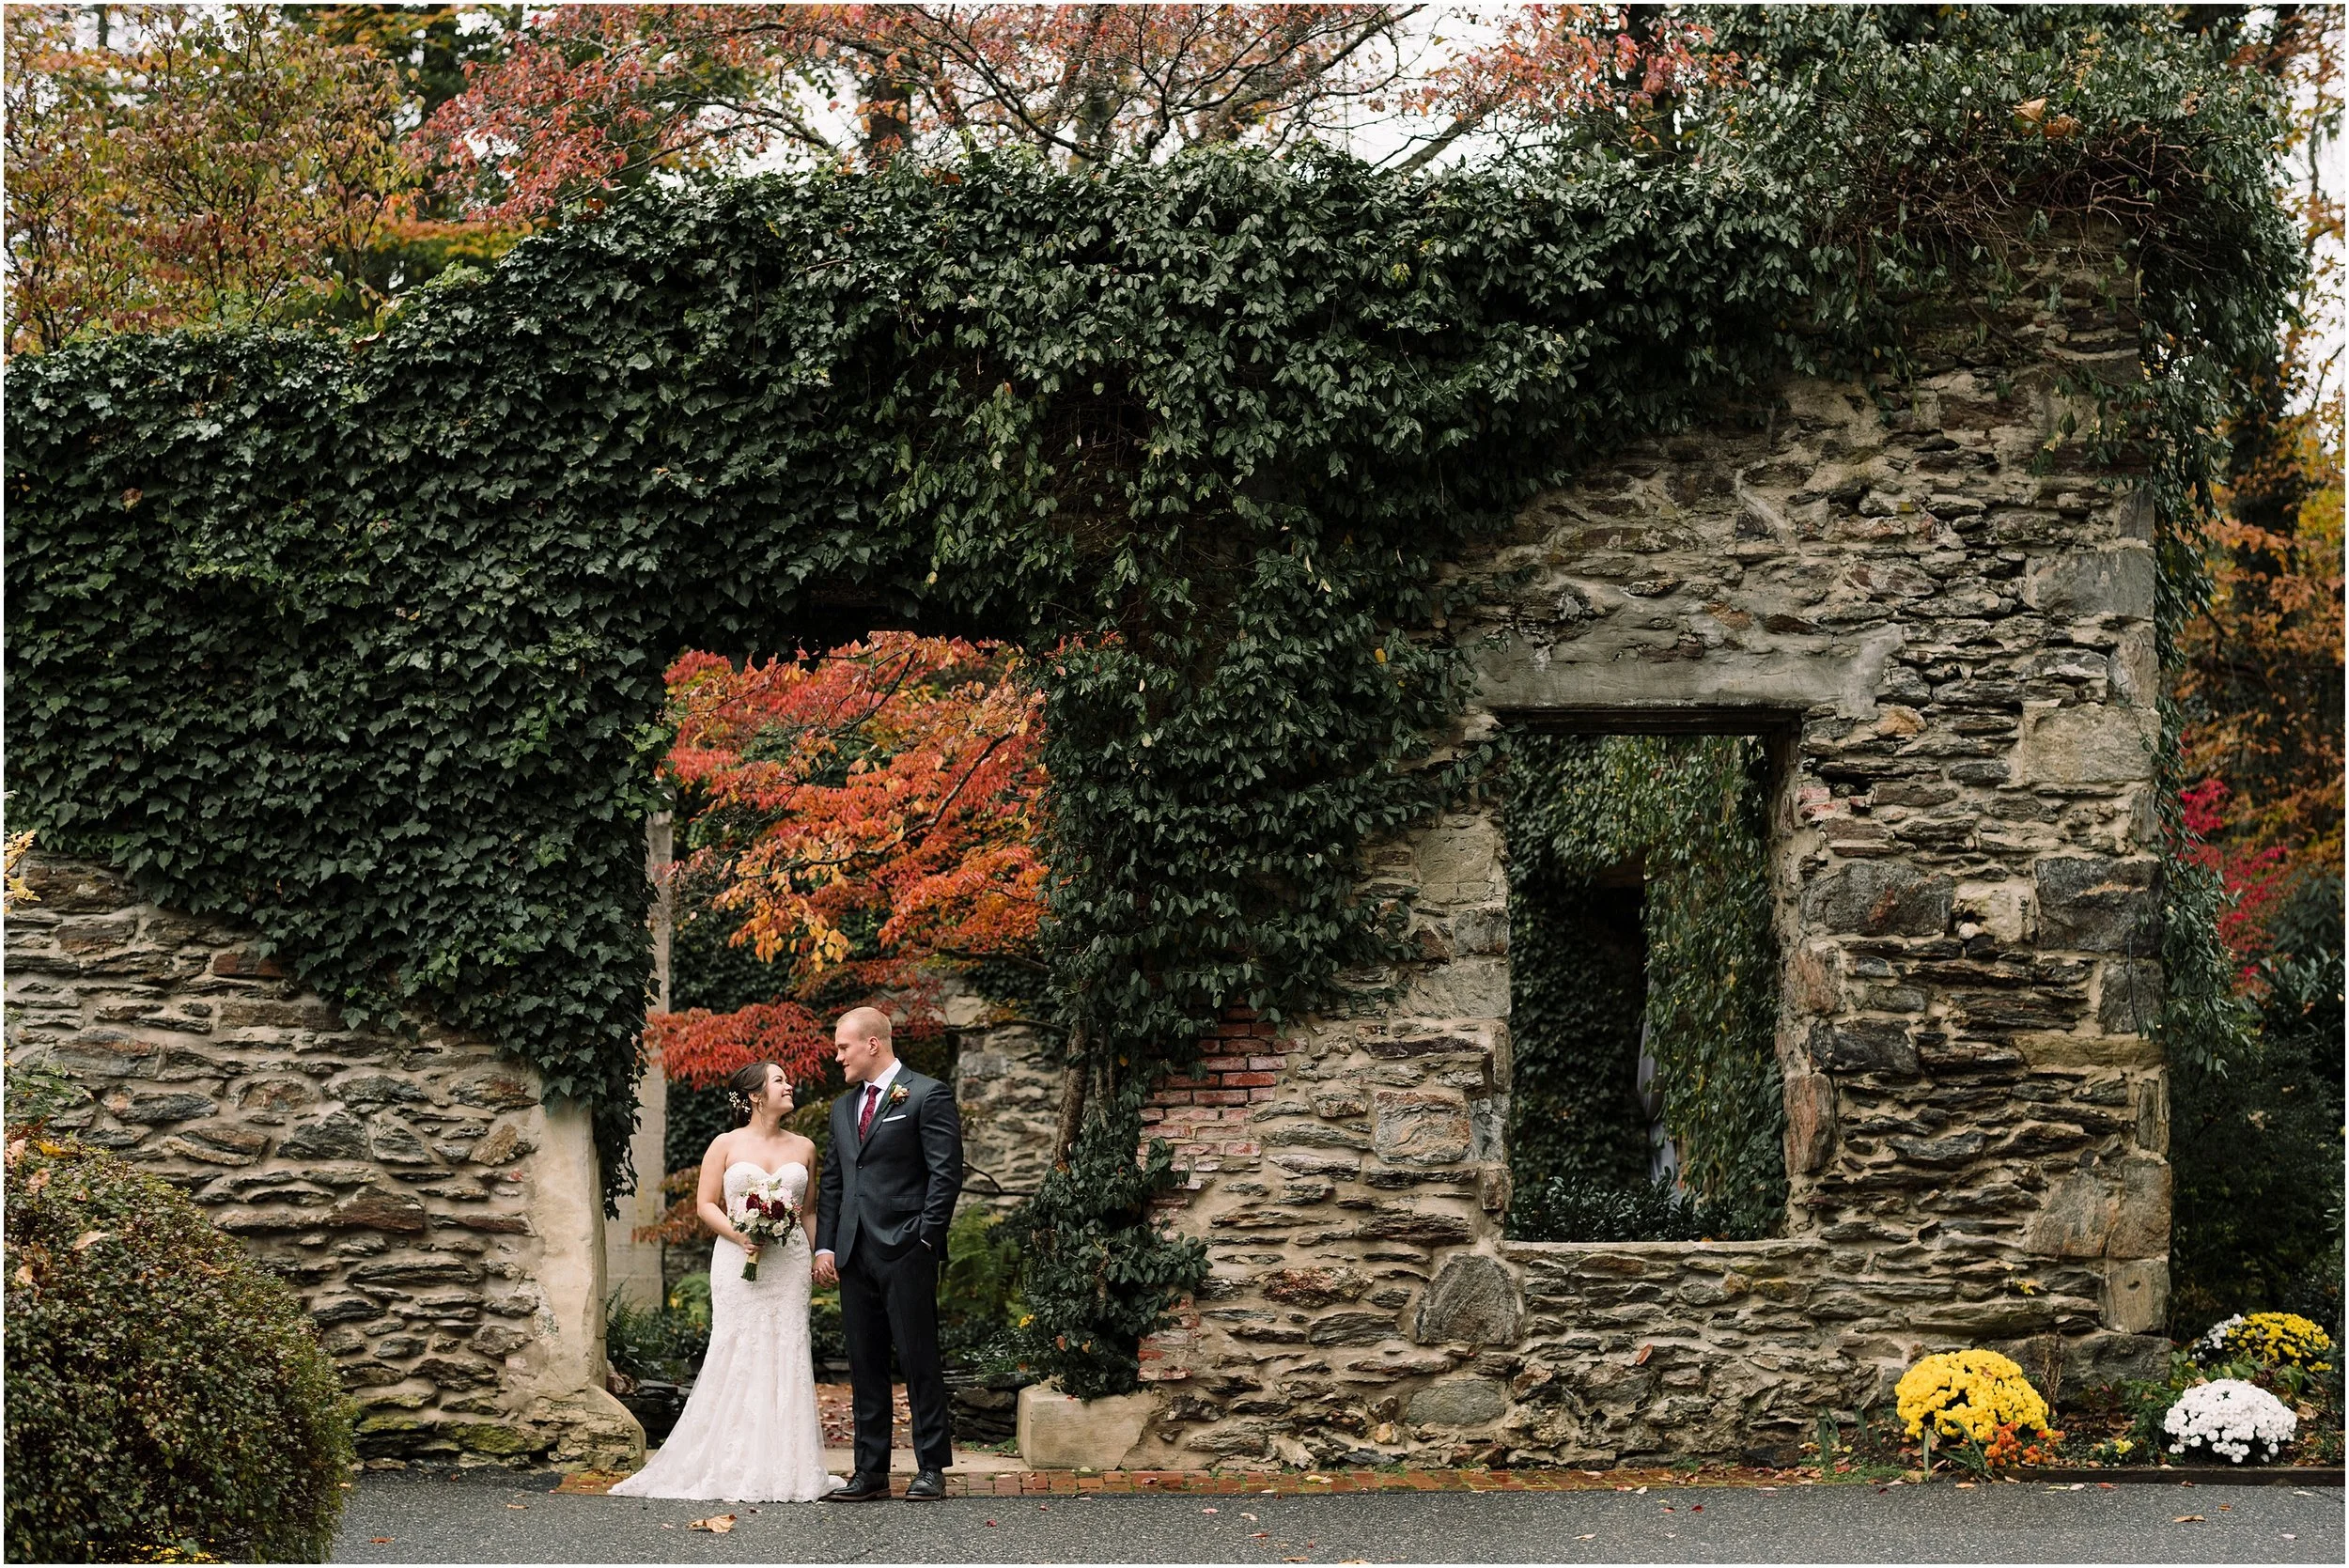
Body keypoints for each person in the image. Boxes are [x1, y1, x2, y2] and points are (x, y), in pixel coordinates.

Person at [609, 1060, 839, 1502]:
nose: (790, 1086)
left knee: (786, 1350)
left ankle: (786, 1466)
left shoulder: (806, 1147)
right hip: (737, 1261)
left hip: (788, 1265)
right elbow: (704, 1204)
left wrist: (820, 1256)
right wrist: (742, 1235)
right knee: (737, 1348)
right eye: (779, 1081)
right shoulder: (724, 1144)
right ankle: (730, 1460)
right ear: (755, 1095)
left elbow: (808, 1211)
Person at [815, 1006, 963, 1501]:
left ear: (873, 1044)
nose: (838, 1056)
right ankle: (870, 1470)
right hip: (854, 1254)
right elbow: (834, 1183)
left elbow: (945, 1174)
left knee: (919, 1358)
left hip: (906, 1249)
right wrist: (828, 1245)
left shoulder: (926, 1094)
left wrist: (925, 1237)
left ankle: (931, 1468)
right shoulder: (841, 1109)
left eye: (843, 1047)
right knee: (864, 1364)